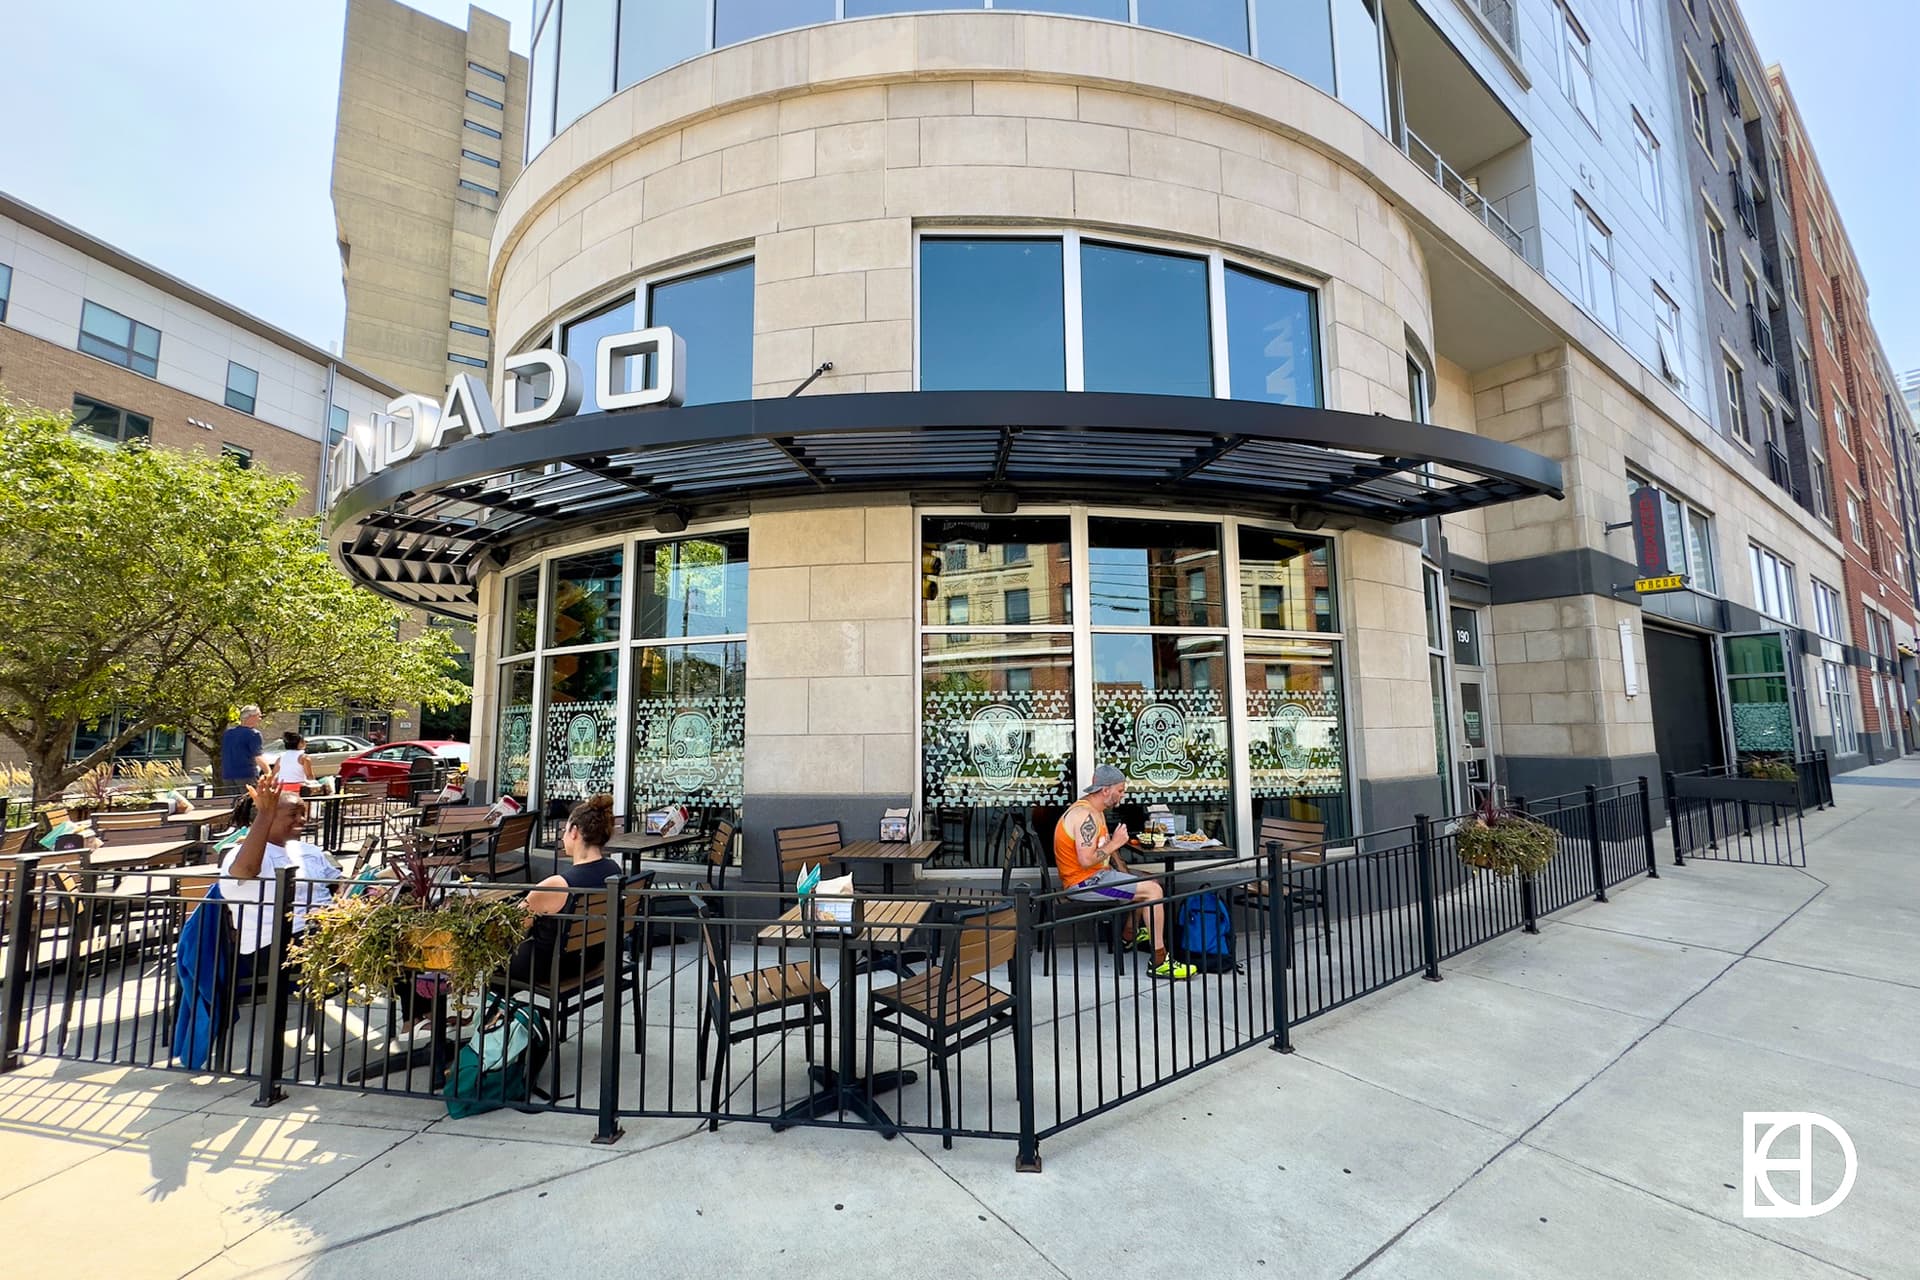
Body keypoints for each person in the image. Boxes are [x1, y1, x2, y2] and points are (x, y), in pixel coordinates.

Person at [1053, 764, 1192, 980]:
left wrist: (1124, 868)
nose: (1123, 795)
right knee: (1153, 891)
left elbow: (1103, 849)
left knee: (1149, 880)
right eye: (1120, 790)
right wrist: (1115, 843)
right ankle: (1159, 961)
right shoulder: (1084, 816)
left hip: (1098, 876)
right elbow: (1087, 859)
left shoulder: (1095, 811)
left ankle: (1129, 934)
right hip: (1084, 883)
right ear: (1105, 790)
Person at [219, 781, 340, 978]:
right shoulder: (241, 854)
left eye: (303, 813)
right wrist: (265, 814)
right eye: (293, 814)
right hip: (275, 947)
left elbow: (336, 881)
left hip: (322, 931)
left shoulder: (307, 850)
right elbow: (245, 870)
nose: (301, 819)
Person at [506, 794, 620, 986]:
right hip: (589, 960)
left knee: (491, 960)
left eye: (565, 830)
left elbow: (511, 930)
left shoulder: (557, 885)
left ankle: (489, 1014)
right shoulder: (613, 872)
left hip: (548, 967)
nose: (563, 836)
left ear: (574, 831)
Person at [219, 706, 268, 797]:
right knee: (250, 804)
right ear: (251, 717)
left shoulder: (228, 734)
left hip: (228, 775)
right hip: (247, 775)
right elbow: (258, 757)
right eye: (258, 716)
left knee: (234, 805)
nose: (260, 719)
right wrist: (269, 773)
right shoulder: (254, 734)